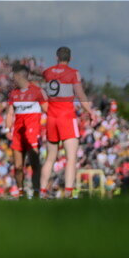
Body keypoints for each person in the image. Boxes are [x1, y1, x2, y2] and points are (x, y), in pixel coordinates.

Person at [39, 47, 98, 198]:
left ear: (56, 57)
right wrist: (90, 112)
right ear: (70, 58)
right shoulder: (73, 73)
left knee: (50, 158)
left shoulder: (47, 72)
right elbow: (80, 95)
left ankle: (43, 191)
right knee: (71, 158)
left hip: (51, 117)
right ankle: (68, 193)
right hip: (66, 117)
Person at [4, 64, 46, 198]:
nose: (12, 79)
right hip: (18, 134)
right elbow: (10, 113)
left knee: (34, 163)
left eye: (14, 76)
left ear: (20, 76)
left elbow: (48, 110)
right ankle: (21, 192)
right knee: (17, 167)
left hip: (33, 133)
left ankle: (36, 191)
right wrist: (7, 128)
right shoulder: (13, 94)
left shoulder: (37, 91)